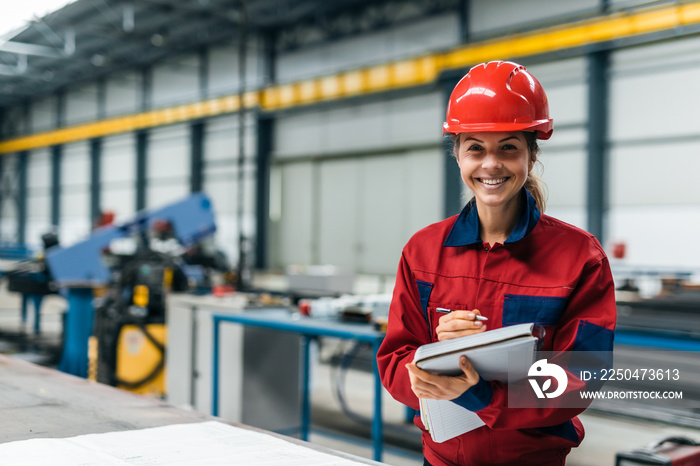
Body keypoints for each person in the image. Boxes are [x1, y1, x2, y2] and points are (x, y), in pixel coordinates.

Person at [376, 61, 617, 466]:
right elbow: (396, 357)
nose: (491, 164)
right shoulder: (423, 251)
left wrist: (480, 395)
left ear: (531, 153)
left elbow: (580, 377)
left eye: (508, 147)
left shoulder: (579, 258)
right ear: (457, 155)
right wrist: (426, 364)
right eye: (475, 148)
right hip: (442, 459)